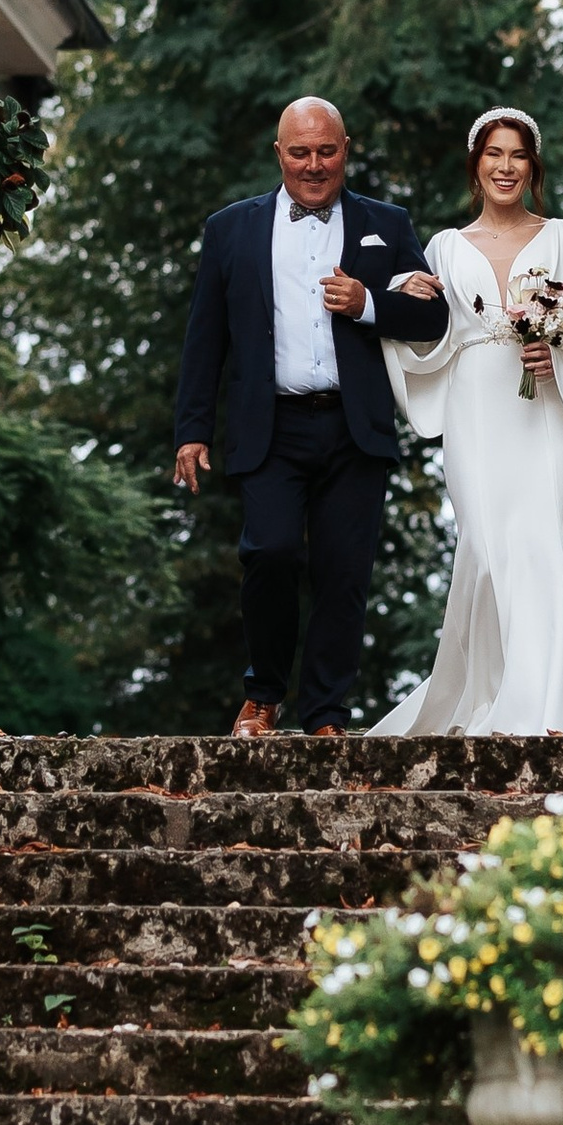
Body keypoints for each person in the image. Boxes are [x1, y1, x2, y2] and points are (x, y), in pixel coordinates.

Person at [173, 97, 447, 735]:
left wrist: (368, 302)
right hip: (270, 426)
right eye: (300, 152)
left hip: (355, 427)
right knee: (268, 554)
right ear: (280, 154)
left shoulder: (387, 224)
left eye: (326, 151)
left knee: (343, 572)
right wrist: (191, 430)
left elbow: (434, 316)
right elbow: (204, 337)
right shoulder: (230, 229)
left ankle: (326, 713)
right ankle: (263, 696)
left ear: (346, 149)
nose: (314, 165)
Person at [370, 103, 563, 737]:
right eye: (494, 154)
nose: (506, 167)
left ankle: (550, 712)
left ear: (532, 166)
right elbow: (430, 335)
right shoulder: (444, 247)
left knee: (542, 545)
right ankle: (487, 695)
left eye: (518, 155)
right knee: (486, 553)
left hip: (548, 410)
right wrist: (404, 297)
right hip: (475, 407)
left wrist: (557, 355)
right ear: (476, 165)